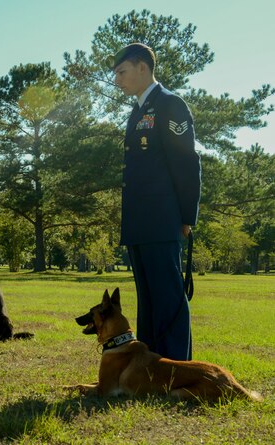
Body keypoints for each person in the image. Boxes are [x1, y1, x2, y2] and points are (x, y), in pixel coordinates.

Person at [112, 43, 201, 361]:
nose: (118, 80)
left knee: (168, 298)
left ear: (141, 68)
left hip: (163, 219)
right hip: (139, 222)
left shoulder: (170, 105)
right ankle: (150, 367)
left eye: (121, 72)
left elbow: (186, 164)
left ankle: (177, 366)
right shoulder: (137, 112)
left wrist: (187, 216)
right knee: (148, 299)